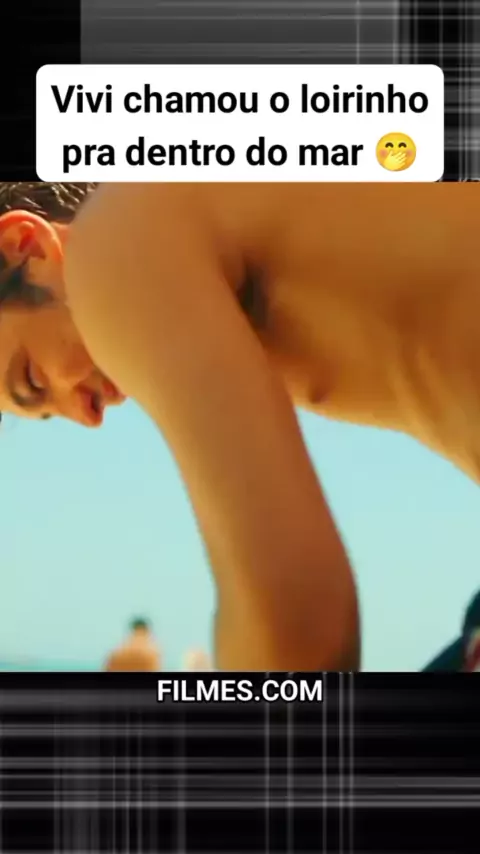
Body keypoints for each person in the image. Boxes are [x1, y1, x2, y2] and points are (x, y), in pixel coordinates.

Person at [1, 182, 479, 672]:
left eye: (32, 379)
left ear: (27, 246)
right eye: (49, 413)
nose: (89, 418)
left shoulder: (115, 240)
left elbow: (298, 626)